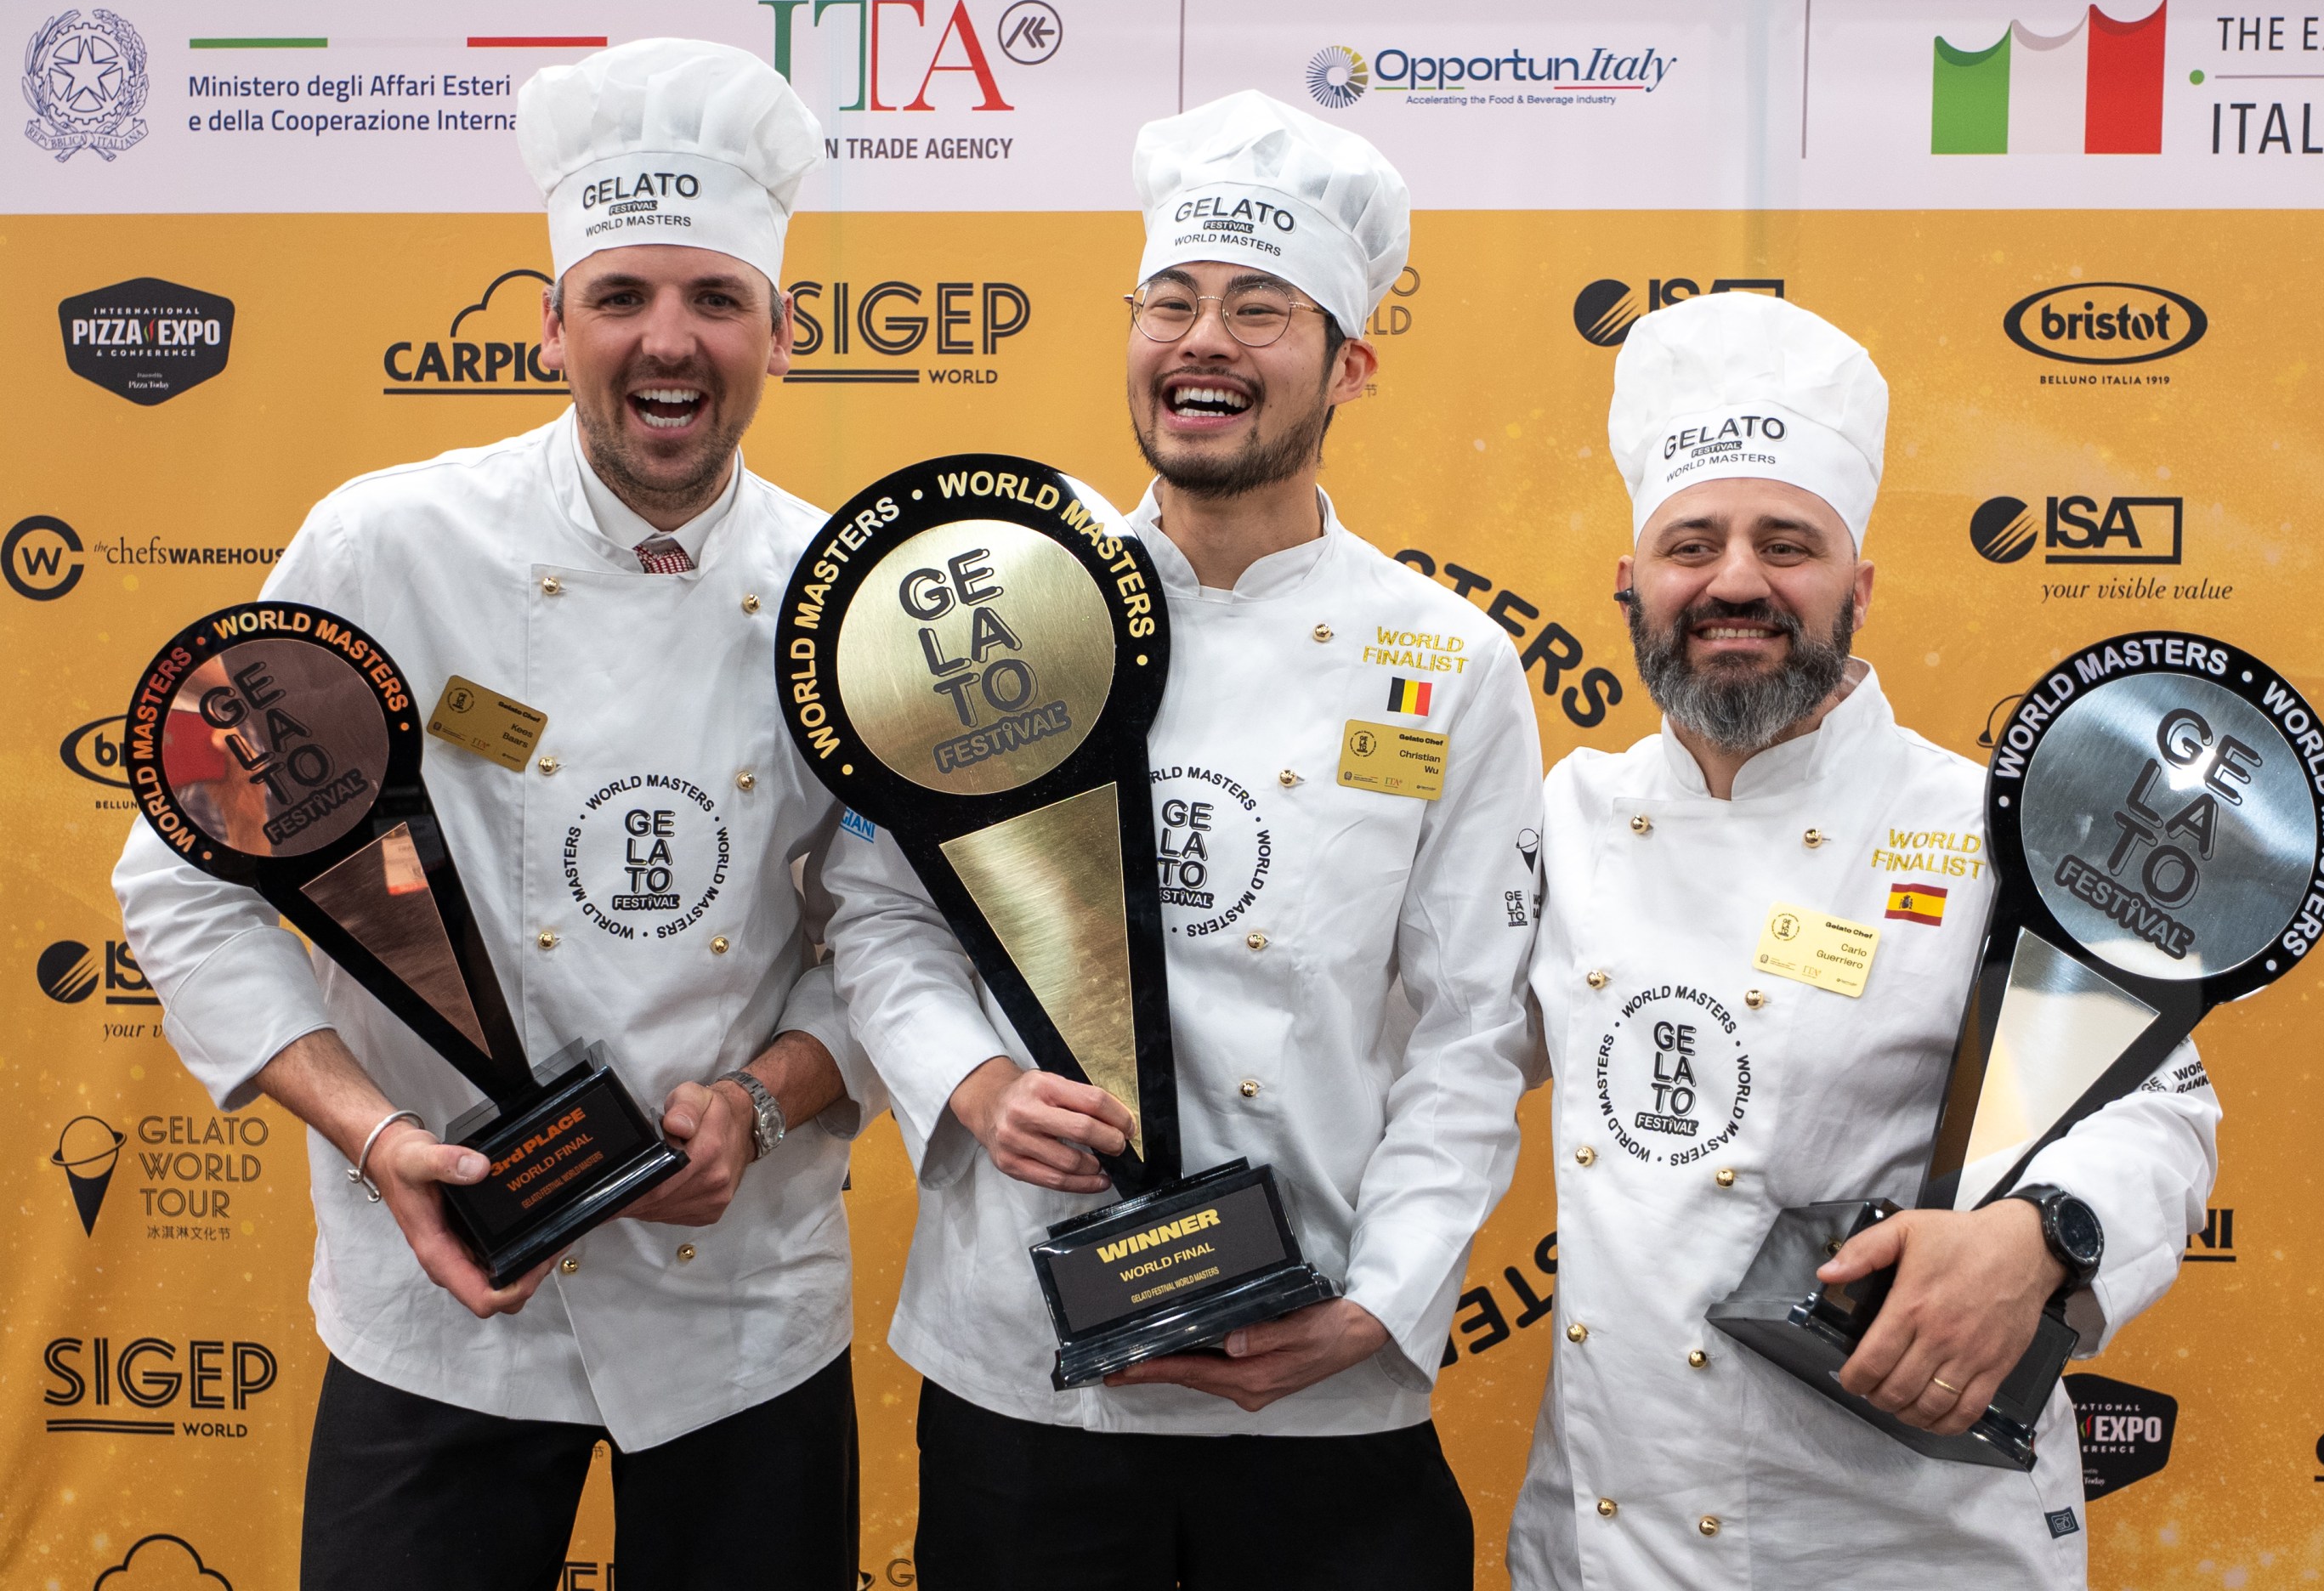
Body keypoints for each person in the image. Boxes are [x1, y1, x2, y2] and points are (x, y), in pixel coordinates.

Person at [112, 40, 879, 1591]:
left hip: (738, 1302)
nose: (670, 340)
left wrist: (770, 1099)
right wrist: (377, 1134)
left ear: (781, 336)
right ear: (550, 330)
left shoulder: (844, 596)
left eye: (716, 300)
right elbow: (189, 880)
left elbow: (892, 932)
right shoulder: (387, 544)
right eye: (622, 298)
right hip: (436, 1306)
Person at [823, 89, 1545, 1589]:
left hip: (1321, 1371)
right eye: (1174, 301)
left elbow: (1474, 1031)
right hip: (1021, 1364)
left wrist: (1386, 1306)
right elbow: (880, 912)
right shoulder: (1006, 603)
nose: (1204, 339)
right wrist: (969, 1086)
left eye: (1260, 308)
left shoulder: (1448, 660)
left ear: (1349, 362)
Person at [1505, 291, 2219, 1588]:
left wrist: (2042, 1237)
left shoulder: (1999, 830)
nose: (1735, 581)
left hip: (1907, 1546)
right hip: (1608, 1542)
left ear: (1860, 586)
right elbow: (1415, 1054)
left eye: (1788, 543)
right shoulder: (1568, 818)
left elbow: (2159, 1113)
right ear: (1630, 584)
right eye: (1691, 544)